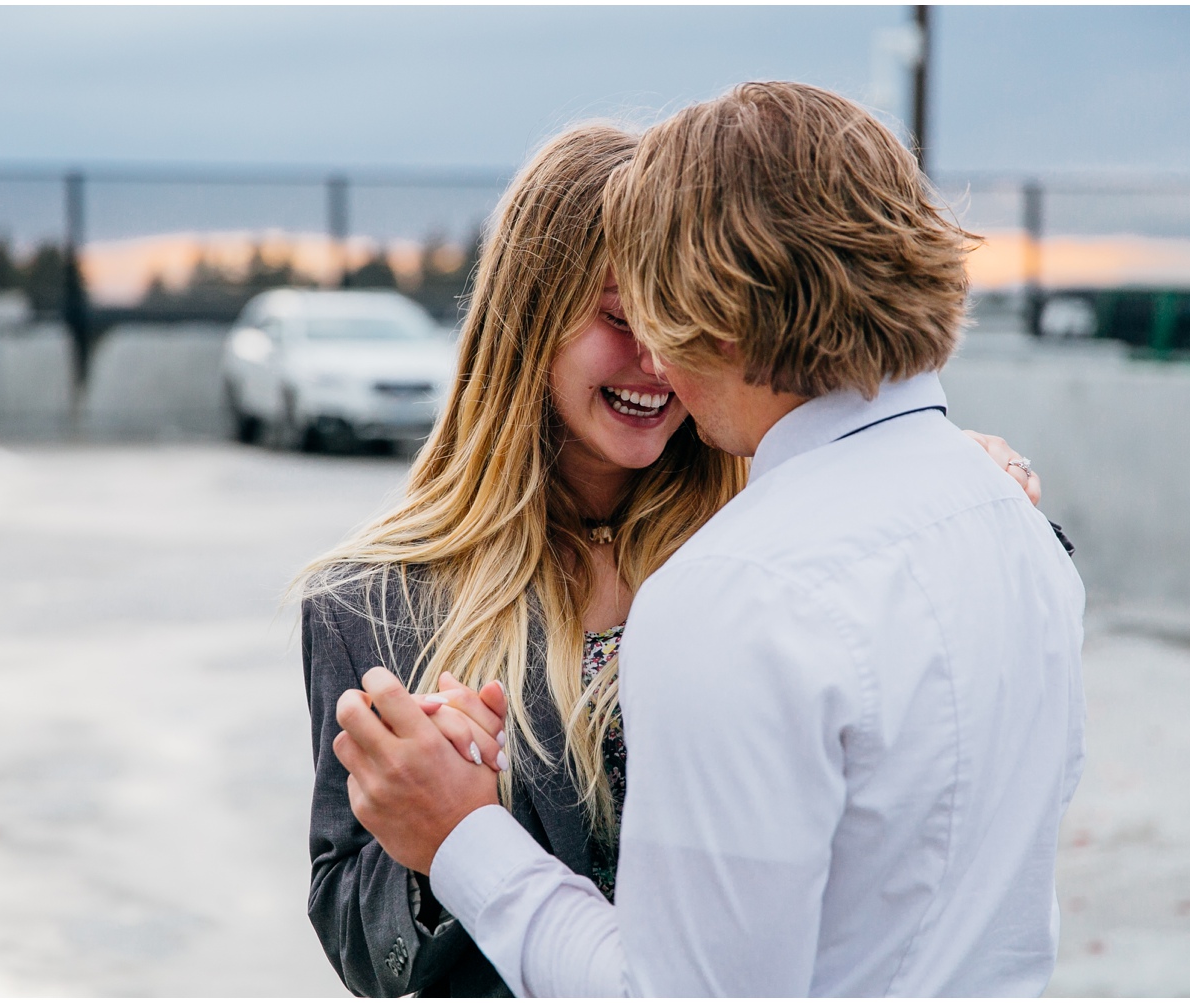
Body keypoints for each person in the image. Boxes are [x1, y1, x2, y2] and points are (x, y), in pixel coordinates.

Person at [332, 82, 1086, 997]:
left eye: (652, 303)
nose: (653, 350)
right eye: (621, 314)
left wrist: (462, 839)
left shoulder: (734, 586)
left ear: (711, 298)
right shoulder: (1011, 524)